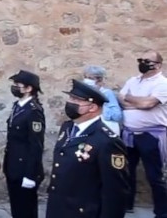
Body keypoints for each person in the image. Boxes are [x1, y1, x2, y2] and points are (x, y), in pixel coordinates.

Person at [46, 79, 129, 218]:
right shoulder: (68, 127)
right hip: (58, 207)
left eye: (76, 100)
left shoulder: (107, 141)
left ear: (92, 107)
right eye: (70, 97)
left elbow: (115, 191)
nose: (70, 102)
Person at [118, 50, 167, 215]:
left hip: (151, 136)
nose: (143, 63)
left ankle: (162, 211)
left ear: (158, 65)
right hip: (129, 134)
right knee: (126, 171)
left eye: (147, 60)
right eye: (141, 59)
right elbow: (121, 98)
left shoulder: (162, 84)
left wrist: (132, 99)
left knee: (155, 176)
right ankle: (127, 204)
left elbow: (149, 104)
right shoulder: (133, 80)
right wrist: (140, 102)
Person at [4, 70, 45, 218]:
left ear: (29, 89)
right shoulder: (18, 106)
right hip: (13, 165)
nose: (14, 87)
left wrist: (30, 174)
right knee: (16, 206)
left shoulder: (34, 111)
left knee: (26, 209)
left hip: (24, 167)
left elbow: (36, 145)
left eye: (18, 85)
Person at [83, 65, 122, 135]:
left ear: (99, 80)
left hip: (105, 131)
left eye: (90, 78)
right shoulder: (84, 93)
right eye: (85, 77)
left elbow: (117, 116)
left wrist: (99, 106)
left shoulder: (107, 93)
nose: (86, 80)